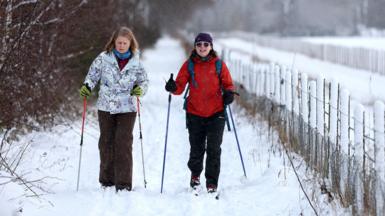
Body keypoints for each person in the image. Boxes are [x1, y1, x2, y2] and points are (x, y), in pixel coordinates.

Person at [79, 27, 148, 192]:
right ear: (114, 42)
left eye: (125, 43)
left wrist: (140, 89)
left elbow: (144, 81)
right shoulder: (103, 58)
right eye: (119, 42)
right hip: (106, 106)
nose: (122, 45)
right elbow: (92, 75)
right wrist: (87, 86)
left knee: (123, 143)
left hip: (127, 107)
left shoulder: (136, 62)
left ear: (130, 44)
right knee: (106, 142)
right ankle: (107, 180)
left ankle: (123, 183)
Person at [165, 32, 235, 193]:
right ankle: (195, 175)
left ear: (211, 47)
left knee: (214, 149)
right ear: (195, 47)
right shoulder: (189, 65)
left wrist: (229, 94)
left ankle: (212, 183)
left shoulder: (219, 65)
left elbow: (228, 84)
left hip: (216, 112)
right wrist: (172, 87)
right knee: (196, 148)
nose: (202, 47)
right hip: (195, 112)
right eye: (199, 44)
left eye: (206, 44)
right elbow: (180, 85)